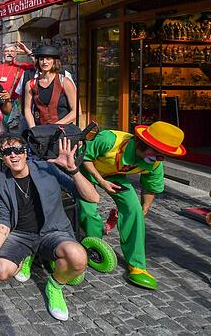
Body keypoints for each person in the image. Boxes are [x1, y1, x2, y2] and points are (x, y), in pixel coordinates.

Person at [0, 134, 99, 321]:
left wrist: (73, 170)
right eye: (7, 152)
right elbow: (5, 219)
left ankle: (55, 285)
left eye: (18, 150)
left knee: (78, 257)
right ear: (1, 157)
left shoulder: (46, 168)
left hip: (52, 231)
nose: (13, 155)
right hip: (21, 235)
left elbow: (93, 198)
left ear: (25, 152)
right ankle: (27, 256)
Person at [79, 121, 186, 290]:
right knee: (89, 208)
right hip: (86, 171)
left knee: (134, 210)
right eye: (155, 153)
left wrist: (143, 209)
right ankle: (95, 249)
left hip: (114, 177)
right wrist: (100, 181)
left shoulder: (155, 163)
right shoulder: (109, 139)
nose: (158, 159)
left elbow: (151, 187)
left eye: (162, 156)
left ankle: (137, 266)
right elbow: (84, 157)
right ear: (142, 143)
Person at [24, 45, 77, 128]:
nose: (44, 62)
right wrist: (33, 129)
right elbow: (27, 109)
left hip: (62, 130)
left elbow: (76, 111)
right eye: (41, 59)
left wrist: (55, 127)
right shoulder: (30, 84)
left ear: (54, 61)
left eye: (48, 59)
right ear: (38, 62)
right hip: (40, 131)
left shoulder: (65, 82)